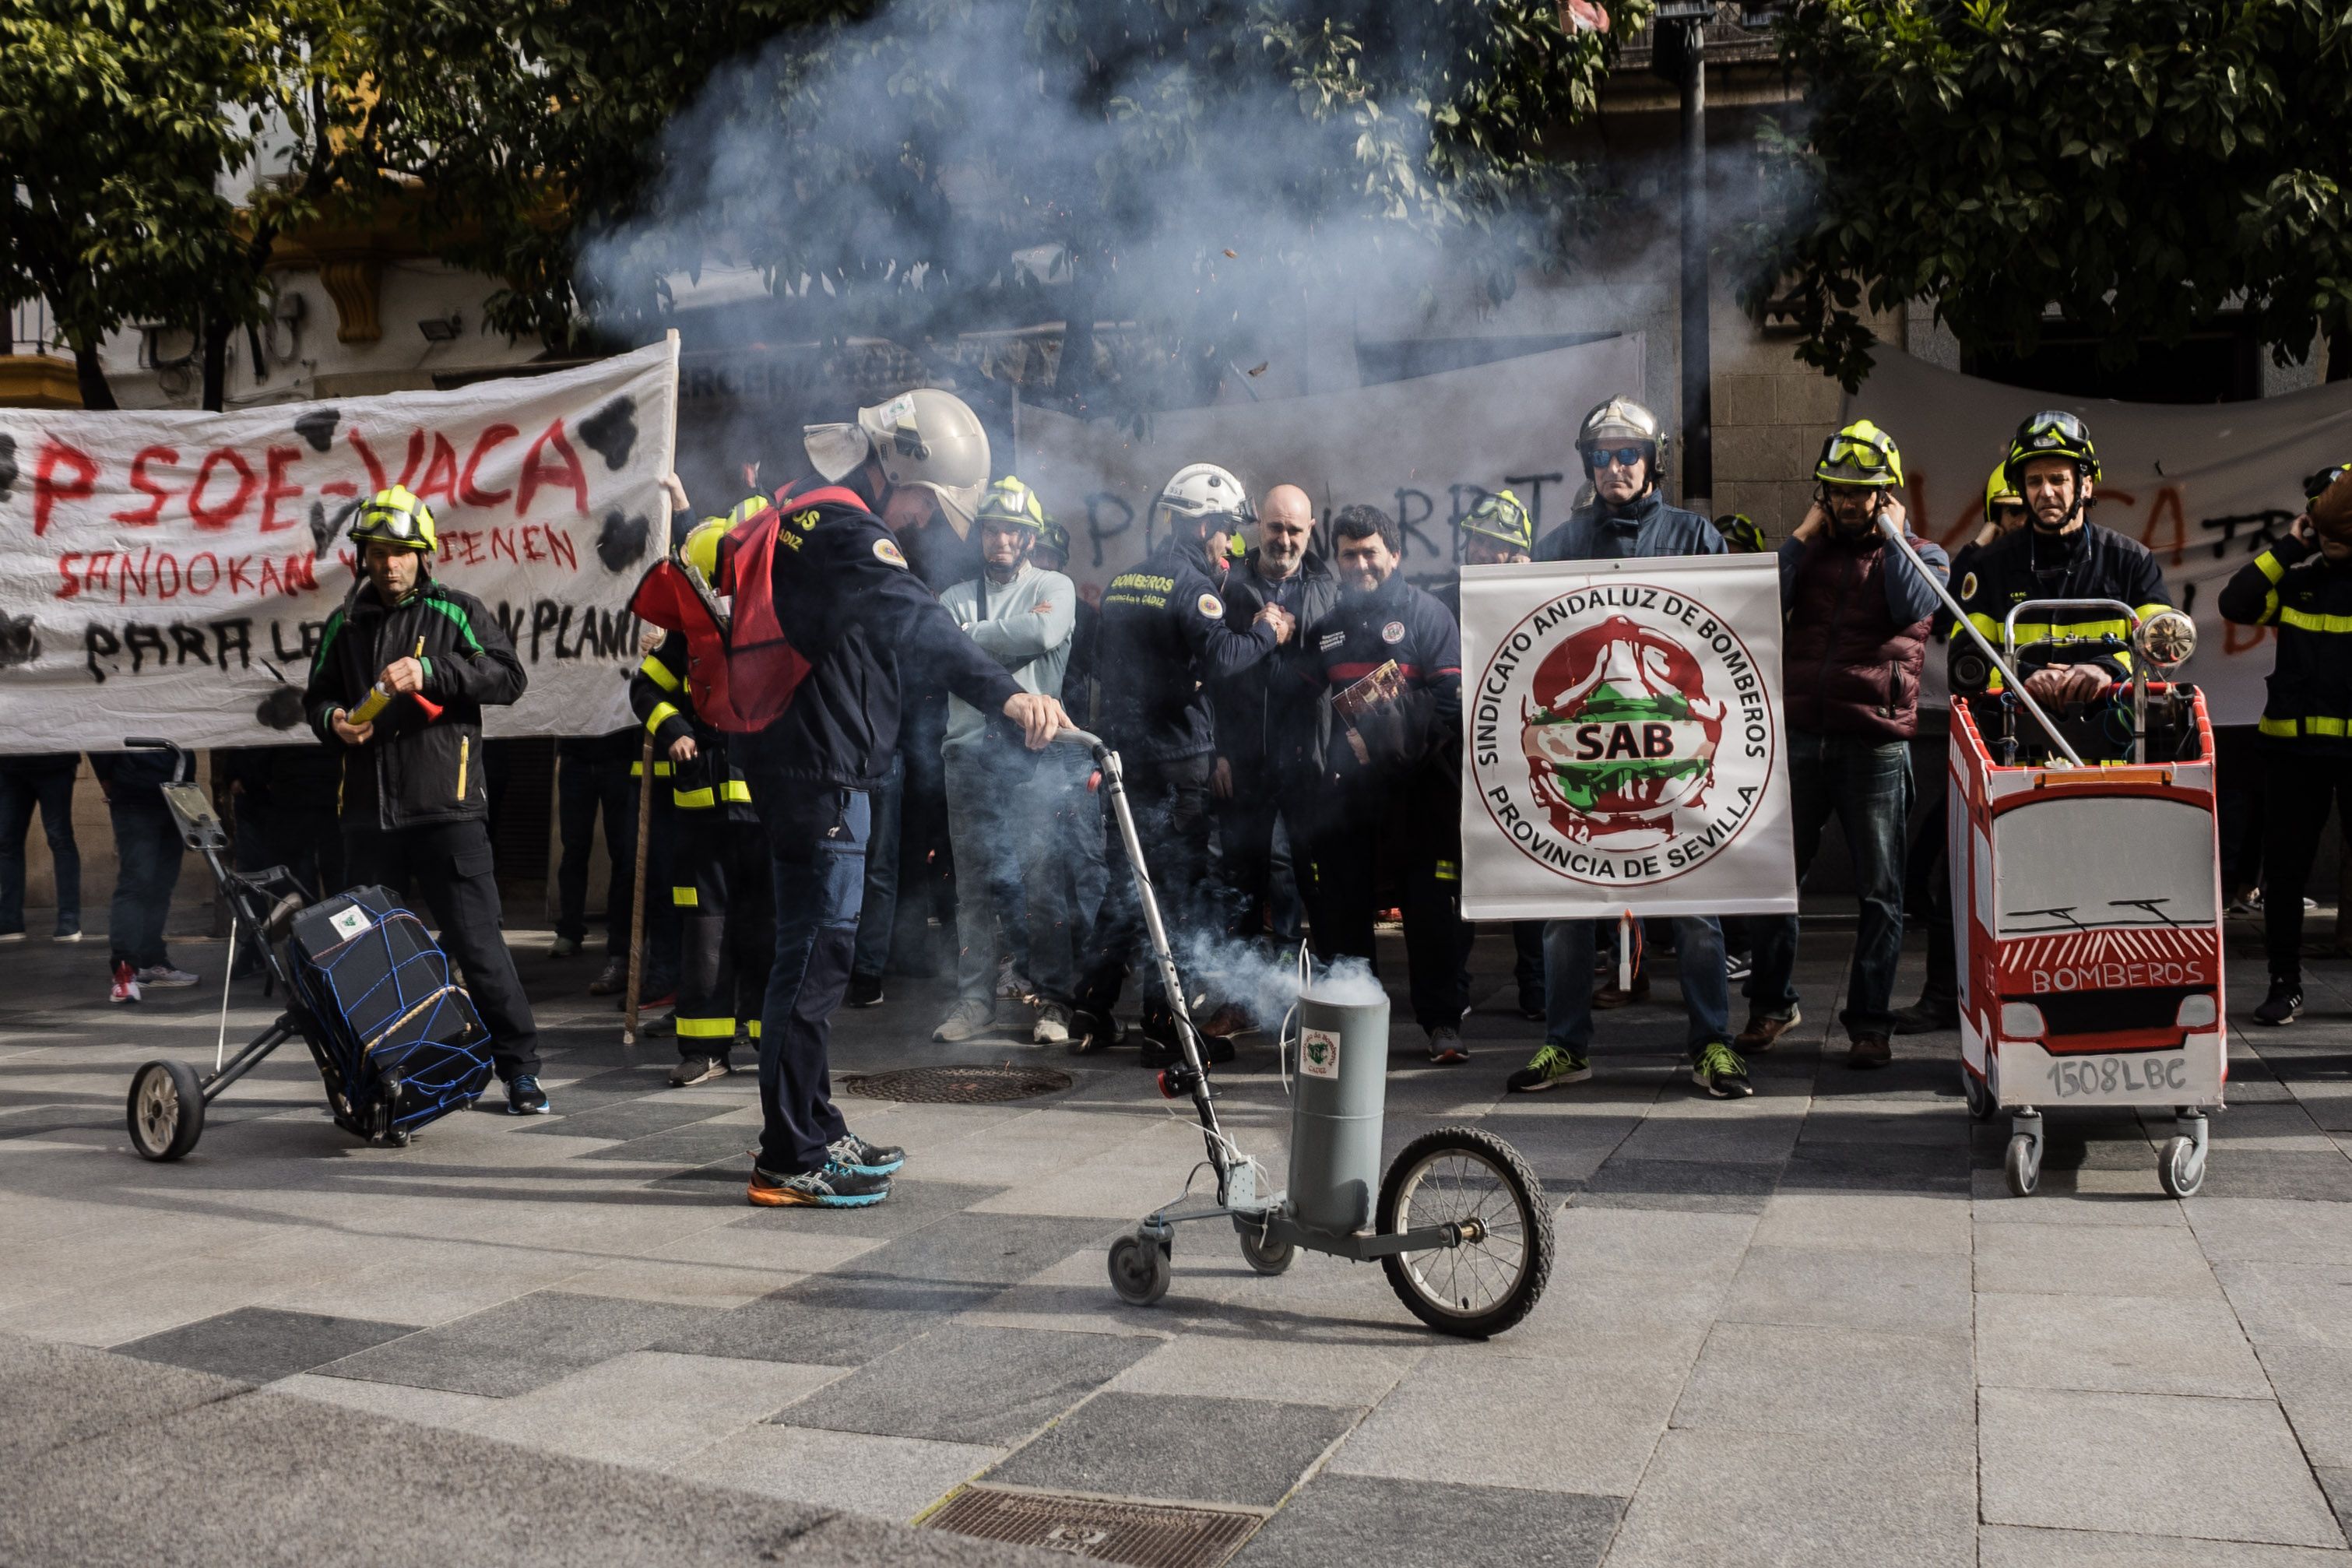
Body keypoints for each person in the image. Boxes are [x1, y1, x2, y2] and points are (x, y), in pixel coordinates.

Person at [659, 389, 1068, 1208]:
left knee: (813, 955)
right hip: (821, 776)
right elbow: (917, 619)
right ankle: (790, 1155)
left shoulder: (805, 514)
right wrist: (1007, 694)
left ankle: (814, 1123)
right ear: (901, 468)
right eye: (929, 500)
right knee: (812, 962)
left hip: (809, 768)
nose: (926, 518)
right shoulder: (846, 528)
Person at [1506, 395, 1749, 1099]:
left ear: (1652, 461)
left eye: (1627, 454)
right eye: (1601, 456)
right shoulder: (1557, 545)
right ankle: (1564, 1045)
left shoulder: (1694, 537)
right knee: (1566, 915)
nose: (1614, 467)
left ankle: (1712, 1043)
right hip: (1587, 754)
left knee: (1696, 912)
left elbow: (1727, 643)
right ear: (1587, 464)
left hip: (1670, 754)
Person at [303, 484, 550, 1115]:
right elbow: (316, 698)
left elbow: (508, 677)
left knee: (479, 947)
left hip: (448, 811)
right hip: (367, 820)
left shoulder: (457, 611)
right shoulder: (343, 625)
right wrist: (334, 721)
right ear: (362, 557)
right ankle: (382, 1078)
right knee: (365, 961)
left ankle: (520, 1071)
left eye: (401, 553)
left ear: (423, 555)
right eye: (377, 553)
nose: (389, 565)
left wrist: (433, 672)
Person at [1738, 420, 1949, 1069]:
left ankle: (1869, 1023)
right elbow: (1756, 606)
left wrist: (1895, 537)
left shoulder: (1926, 554)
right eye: (1836, 490)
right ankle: (1771, 1006)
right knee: (1778, 883)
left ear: (1886, 493)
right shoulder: (1810, 552)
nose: (1848, 502)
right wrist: (1799, 537)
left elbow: (1909, 606)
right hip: (1802, 735)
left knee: (1879, 892)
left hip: (1874, 745)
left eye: (1861, 491)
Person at [1071, 462, 1290, 1066]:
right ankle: (1164, 1030)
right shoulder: (1191, 586)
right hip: (1177, 764)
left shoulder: (1123, 582)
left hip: (1124, 759)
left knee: (1127, 885)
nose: (1231, 545)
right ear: (1201, 527)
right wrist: (1267, 632)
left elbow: (1100, 663)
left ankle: (1089, 1009)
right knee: (1176, 896)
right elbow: (1223, 657)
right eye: (1227, 531)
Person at [1303, 504, 1469, 1062]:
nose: (1360, 564)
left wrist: (1379, 736)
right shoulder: (1327, 629)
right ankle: (1357, 1027)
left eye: (1370, 552)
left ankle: (1442, 1025)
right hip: (1349, 797)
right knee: (1345, 913)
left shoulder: (1427, 614)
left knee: (1429, 914)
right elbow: (1295, 694)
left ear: (1394, 554)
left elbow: (1450, 702)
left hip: (1421, 792)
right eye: (1348, 555)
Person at [631, 508, 775, 1087]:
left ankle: (773, 1040)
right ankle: (704, 1049)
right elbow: (645, 689)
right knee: (705, 932)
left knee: (769, 926)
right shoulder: (689, 636)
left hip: (769, 812)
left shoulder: (781, 627)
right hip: (703, 812)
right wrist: (673, 729)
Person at [932, 477, 1078, 1043]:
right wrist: (981, 639)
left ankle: (1054, 1002)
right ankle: (974, 1004)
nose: (1001, 540)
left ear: (1030, 538)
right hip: (968, 754)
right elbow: (946, 653)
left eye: (1012, 531)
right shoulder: (952, 596)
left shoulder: (1054, 585)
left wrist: (969, 636)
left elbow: (1043, 630)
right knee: (972, 889)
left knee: (1044, 885)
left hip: (1033, 757)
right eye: (992, 529)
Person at [1894, 461, 2028, 1034]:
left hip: (2055, 741)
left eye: (2023, 510)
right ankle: (1939, 996)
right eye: (2010, 511)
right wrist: (1980, 543)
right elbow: (1948, 618)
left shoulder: (2076, 560)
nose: (2021, 519)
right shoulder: (1987, 565)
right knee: (1958, 868)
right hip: (1989, 735)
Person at [2218, 462, 2352, 1026]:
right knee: (2286, 875)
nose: (2327, 530)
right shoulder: (2298, 581)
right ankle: (2284, 985)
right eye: (2318, 518)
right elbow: (2235, 604)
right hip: (2293, 757)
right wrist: (2289, 547)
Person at [1950, 410, 2170, 714]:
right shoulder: (1988, 566)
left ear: (2086, 486)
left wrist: (2108, 669)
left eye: (2058, 479)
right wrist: (2023, 676)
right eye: (2034, 481)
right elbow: (1965, 660)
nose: (2046, 492)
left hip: (2117, 732)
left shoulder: (2132, 560)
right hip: (2015, 732)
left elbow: (2163, 646)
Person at [1210, 483, 1339, 977]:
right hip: (1242, 762)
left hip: (1308, 762)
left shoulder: (1329, 589)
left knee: (1314, 877)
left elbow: (1341, 671)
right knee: (1241, 879)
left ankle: (1321, 981)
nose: (1284, 540)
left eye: (1294, 530)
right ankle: (1241, 993)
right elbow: (1207, 674)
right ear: (1258, 526)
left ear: (1311, 530)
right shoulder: (1224, 587)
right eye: (1275, 527)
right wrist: (1216, 752)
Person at [1438, 490, 1545, 1021]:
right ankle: (1452, 990)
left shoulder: (1540, 602)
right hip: (1456, 763)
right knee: (1456, 880)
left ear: (1519, 555)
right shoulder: (1443, 602)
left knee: (1528, 874)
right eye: (1476, 541)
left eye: (1495, 545)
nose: (1481, 552)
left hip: (1522, 761)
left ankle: (1538, 986)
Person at [90, 747, 195, 1003]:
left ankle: (151, 960)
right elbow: (99, 738)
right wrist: (110, 779)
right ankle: (125, 973)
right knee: (136, 884)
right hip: (136, 793)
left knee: (160, 885)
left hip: (175, 793)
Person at [0, 751, 82, 944]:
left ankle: (68, 917)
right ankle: (10, 919)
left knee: (59, 839)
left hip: (54, 764)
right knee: (7, 842)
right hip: (11, 765)